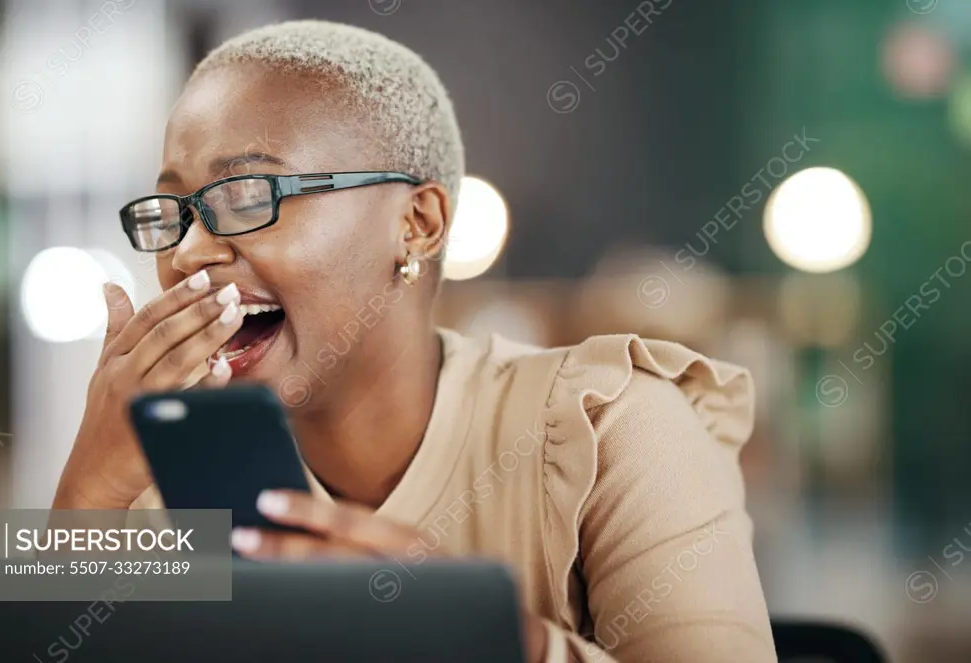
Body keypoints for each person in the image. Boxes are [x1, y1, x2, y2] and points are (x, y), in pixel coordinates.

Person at [51, 19, 777, 663]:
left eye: (247, 196)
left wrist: (481, 631)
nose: (187, 252)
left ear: (418, 224)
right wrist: (88, 494)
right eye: (174, 210)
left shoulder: (613, 427)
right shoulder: (168, 490)